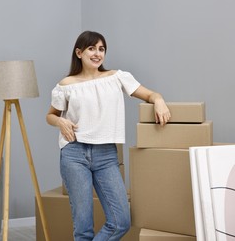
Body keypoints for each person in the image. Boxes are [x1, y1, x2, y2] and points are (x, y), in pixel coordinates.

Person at [46, 31, 171, 241]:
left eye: (101, 49)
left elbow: (151, 94)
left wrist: (158, 100)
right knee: (83, 228)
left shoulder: (117, 77)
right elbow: (50, 116)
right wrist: (60, 121)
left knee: (121, 221)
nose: (97, 53)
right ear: (79, 52)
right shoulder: (66, 85)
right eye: (91, 48)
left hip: (106, 156)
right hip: (74, 154)